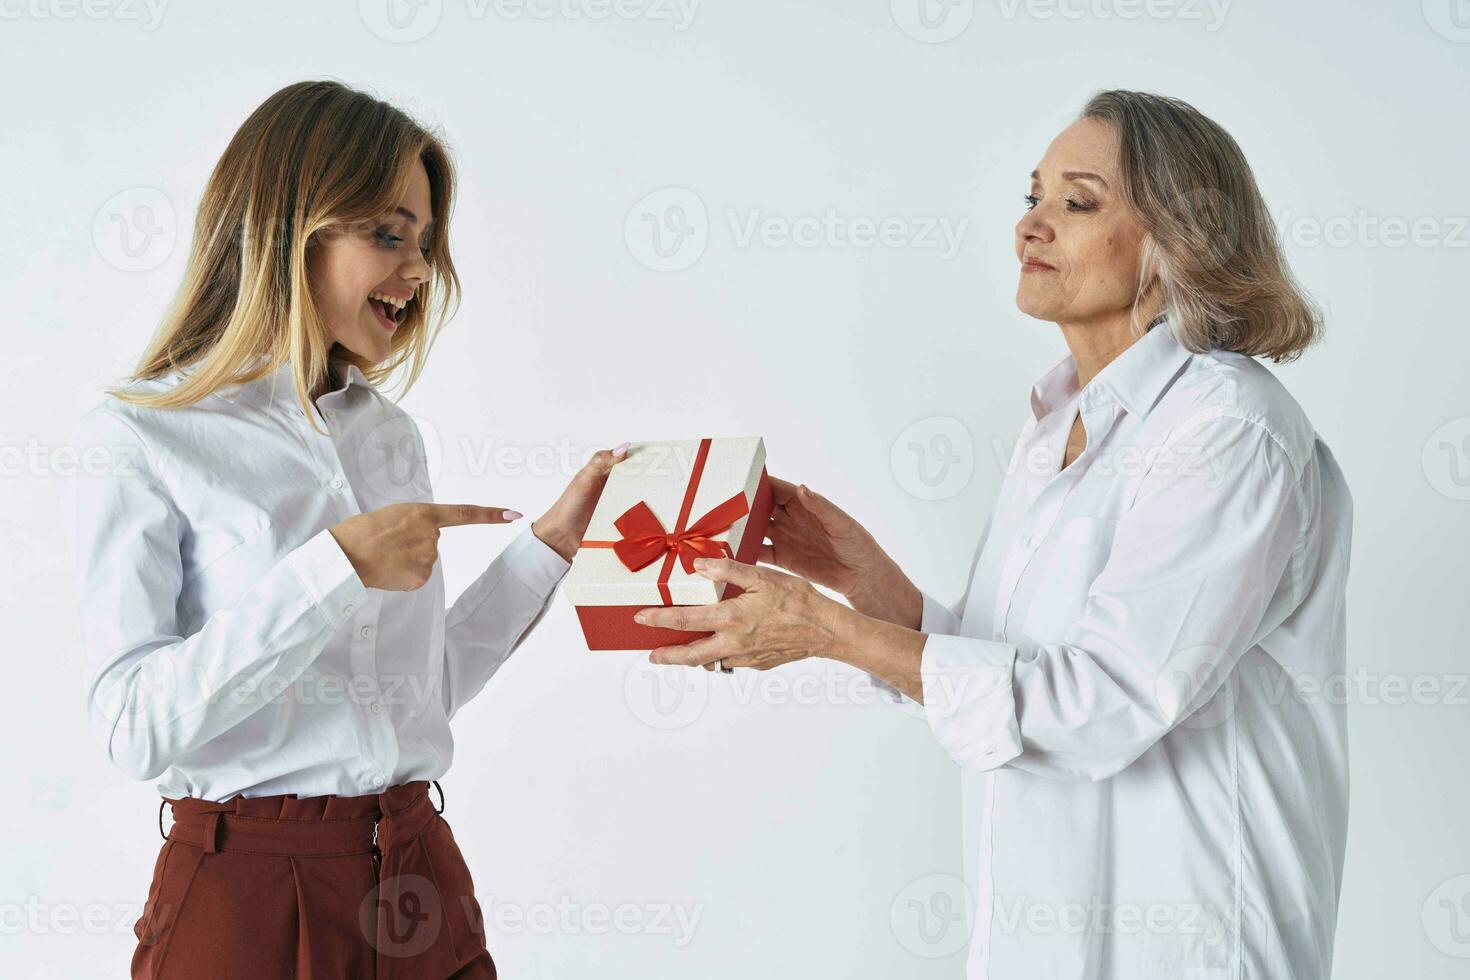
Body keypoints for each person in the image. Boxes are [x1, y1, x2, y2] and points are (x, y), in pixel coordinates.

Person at [637, 90, 1353, 979]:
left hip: (1186, 946)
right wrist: (872, 589)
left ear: (1178, 247)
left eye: (1077, 202)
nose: (1031, 228)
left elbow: (1101, 704)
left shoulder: (1230, 431)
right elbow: (1011, 669)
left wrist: (828, 633)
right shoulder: (1057, 424)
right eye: (1033, 197)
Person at [65, 79, 620, 978]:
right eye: (389, 233)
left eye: (427, 242)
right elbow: (133, 725)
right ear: (291, 227)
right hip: (248, 896)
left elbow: (419, 688)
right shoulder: (144, 436)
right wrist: (334, 569)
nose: (419, 270)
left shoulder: (389, 436)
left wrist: (550, 545)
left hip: (418, 869)